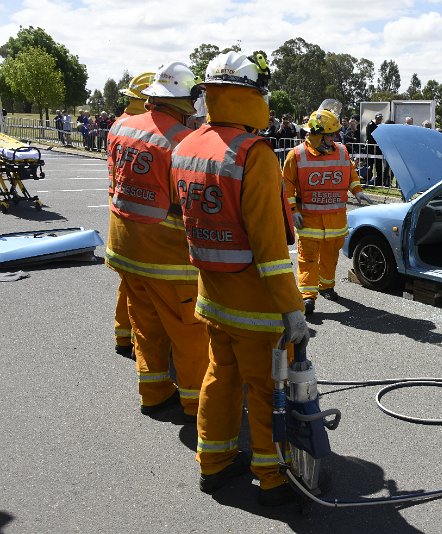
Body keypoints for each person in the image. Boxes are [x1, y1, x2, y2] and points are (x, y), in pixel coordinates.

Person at [171, 51, 309, 507]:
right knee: (268, 391)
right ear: (252, 96)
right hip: (256, 307)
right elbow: (271, 251)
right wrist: (293, 310)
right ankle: (272, 480)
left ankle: (213, 463)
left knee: (219, 376)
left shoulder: (187, 145)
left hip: (212, 298)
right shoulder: (256, 155)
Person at [105, 61, 209, 420]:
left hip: (123, 248)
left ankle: (153, 392)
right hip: (166, 258)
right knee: (190, 334)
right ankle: (198, 406)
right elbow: (188, 203)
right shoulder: (183, 141)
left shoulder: (120, 127)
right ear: (185, 103)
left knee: (145, 326)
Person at [283, 99, 373, 316]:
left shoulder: (341, 151)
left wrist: (358, 190)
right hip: (310, 221)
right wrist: (293, 212)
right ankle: (307, 297)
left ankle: (327, 286)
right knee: (308, 259)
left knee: (331, 257)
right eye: (330, 135)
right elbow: (287, 186)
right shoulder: (296, 155)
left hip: (336, 222)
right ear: (316, 134)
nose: (334, 138)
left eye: (335, 134)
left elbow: (349, 173)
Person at [107, 71, 155, 358]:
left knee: (128, 281)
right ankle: (133, 338)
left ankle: (123, 335)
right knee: (140, 286)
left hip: (120, 208)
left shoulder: (119, 125)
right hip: (141, 217)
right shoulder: (144, 129)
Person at [366, 112, 388, 186]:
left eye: (380, 119)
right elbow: (370, 137)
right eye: (378, 118)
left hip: (378, 149)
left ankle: (379, 182)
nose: (379, 120)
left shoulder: (381, 125)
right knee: (370, 165)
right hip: (371, 148)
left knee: (379, 166)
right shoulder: (370, 125)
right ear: (375, 118)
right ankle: (367, 180)